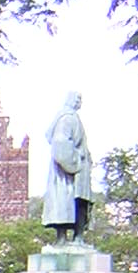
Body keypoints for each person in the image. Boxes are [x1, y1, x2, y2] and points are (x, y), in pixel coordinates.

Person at [42, 90, 92, 243]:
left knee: (79, 202)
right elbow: (60, 143)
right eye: (77, 98)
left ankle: (78, 238)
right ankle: (63, 238)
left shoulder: (72, 118)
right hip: (69, 171)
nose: (79, 102)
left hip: (77, 169)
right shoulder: (67, 118)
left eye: (81, 99)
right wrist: (75, 162)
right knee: (66, 202)